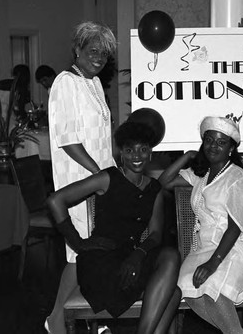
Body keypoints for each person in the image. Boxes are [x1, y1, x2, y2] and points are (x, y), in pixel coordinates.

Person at [47, 120, 181, 334]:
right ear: (121, 154)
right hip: (100, 265)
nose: (136, 156)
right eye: (130, 150)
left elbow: (155, 234)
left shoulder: (154, 188)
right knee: (171, 293)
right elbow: (55, 201)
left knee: (172, 270)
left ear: (150, 154)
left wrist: (138, 254)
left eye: (143, 150)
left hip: (130, 259)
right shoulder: (108, 178)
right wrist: (79, 244)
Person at [159, 115, 243, 334]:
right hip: (205, 246)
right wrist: (188, 156)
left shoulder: (237, 177)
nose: (213, 146)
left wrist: (213, 264)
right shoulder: (202, 175)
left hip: (238, 243)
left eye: (221, 142)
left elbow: (235, 228)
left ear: (231, 148)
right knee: (186, 286)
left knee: (213, 286)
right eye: (209, 140)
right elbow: (164, 181)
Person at [46, 21, 117, 333]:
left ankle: (88, 319)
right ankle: (55, 320)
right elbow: (68, 140)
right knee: (81, 253)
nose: (98, 57)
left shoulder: (95, 83)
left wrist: (113, 172)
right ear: (77, 50)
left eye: (104, 53)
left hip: (100, 179)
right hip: (78, 180)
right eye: (92, 50)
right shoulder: (65, 83)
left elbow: (102, 137)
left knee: (96, 251)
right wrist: (98, 174)